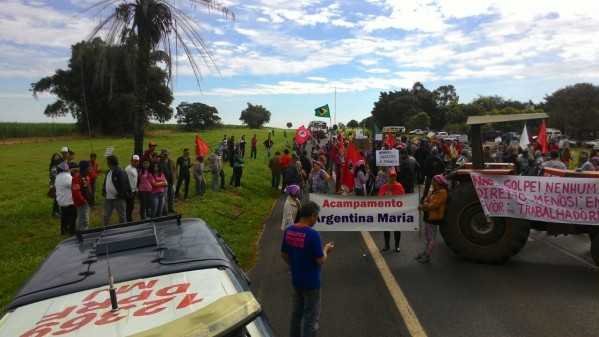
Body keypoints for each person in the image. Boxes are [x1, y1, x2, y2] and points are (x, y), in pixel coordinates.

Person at [280, 201, 334, 337]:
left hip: (296, 279)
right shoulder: (313, 234)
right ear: (312, 216)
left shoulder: (289, 230)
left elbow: (283, 254)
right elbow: (320, 260)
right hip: (311, 282)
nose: (316, 220)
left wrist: (294, 265)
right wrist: (326, 250)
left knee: (296, 314)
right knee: (311, 318)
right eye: (316, 217)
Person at [416, 174, 449, 263]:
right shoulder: (435, 191)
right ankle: (423, 253)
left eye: (433, 181)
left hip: (434, 217)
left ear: (437, 182)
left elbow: (435, 204)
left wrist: (424, 206)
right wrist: (426, 202)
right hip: (428, 216)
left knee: (431, 237)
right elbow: (427, 198)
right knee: (427, 236)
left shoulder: (442, 192)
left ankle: (427, 255)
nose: (431, 182)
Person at [379, 167, 405, 252]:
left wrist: (392, 195)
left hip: (396, 212)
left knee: (396, 229)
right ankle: (387, 245)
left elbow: (403, 199)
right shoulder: (384, 187)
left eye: (393, 176)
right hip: (386, 212)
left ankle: (397, 245)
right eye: (390, 176)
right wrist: (385, 195)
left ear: (396, 177)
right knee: (386, 229)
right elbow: (379, 199)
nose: (392, 177)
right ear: (388, 177)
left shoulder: (399, 186)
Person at [102, 155, 132, 226]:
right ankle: (106, 229)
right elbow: (106, 182)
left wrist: (119, 195)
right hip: (108, 198)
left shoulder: (120, 171)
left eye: (107, 161)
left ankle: (122, 229)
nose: (107, 163)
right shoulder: (109, 171)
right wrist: (104, 191)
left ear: (110, 162)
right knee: (106, 215)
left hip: (118, 198)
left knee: (121, 215)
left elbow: (124, 185)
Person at [55, 162, 77, 236]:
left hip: (61, 201)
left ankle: (64, 232)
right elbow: (74, 186)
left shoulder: (58, 177)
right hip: (69, 202)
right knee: (72, 218)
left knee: (64, 218)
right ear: (66, 169)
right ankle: (72, 233)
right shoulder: (67, 177)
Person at [71, 160, 93, 232]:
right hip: (82, 203)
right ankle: (84, 236)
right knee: (84, 222)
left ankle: (79, 234)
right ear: (84, 168)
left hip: (86, 202)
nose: (90, 168)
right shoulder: (77, 177)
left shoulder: (86, 176)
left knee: (81, 220)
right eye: (88, 167)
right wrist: (84, 201)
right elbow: (76, 192)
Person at [159, 149, 176, 214]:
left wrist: (174, 176)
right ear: (161, 154)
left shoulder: (171, 161)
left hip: (171, 181)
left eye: (166, 154)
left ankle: (171, 208)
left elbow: (174, 169)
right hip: (164, 182)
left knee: (171, 196)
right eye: (164, 154)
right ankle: (165, 210)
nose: (165, 155)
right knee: (164, 196)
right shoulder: (159, 162)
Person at [124, 155, 140, 222]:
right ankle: (129, 220)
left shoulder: (134, 169)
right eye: (135, 161)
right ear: (131, 161)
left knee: (131, 206)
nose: (136, 162)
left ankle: (129, 219)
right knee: (130, 206)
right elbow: (125, 180)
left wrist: (136, 189)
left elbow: (134, 180)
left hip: (133, 190)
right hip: (129, 190)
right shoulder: (128, 169)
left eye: (137, 161)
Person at [49, 152, 63, 217]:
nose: (56, 158)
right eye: (55, 157)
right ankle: (55, 212)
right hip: (55, 184)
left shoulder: (60, 166)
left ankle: (57, 211)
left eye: (58, 156)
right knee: (57, 198)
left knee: (58, 198)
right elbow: (55, 177)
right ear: (53, 159)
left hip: (58, 184)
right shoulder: (53, 167)